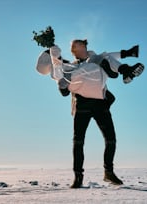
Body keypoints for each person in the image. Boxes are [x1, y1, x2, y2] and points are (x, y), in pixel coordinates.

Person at [57, 39, 138, 188]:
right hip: (82, 105)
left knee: (111, 140)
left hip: (100, 104)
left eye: (83, 45)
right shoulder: (71, 67)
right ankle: (78, 177)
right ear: (73, 51)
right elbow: (63, 90)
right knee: (78, 142)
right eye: (77, 47)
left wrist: (127, 54)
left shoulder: (97, 59)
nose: (81, 48)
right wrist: (61, 81)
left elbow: (111, 56)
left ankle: (109, 173)